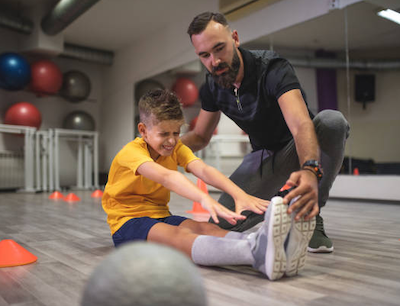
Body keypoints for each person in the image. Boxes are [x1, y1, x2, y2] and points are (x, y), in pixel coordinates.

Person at [102, 89, 316, 281]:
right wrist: (204, 198)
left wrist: (240, 194)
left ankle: (266, 244)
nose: (171, 140)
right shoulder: (131, 153)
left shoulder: (175, 147)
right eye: (164, 134)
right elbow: (167, 177)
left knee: (205, 227)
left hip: (160, 215)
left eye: (176, 133)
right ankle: (254, 252)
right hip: (128, 223)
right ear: (143, 130)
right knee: (180, 237)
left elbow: (203, 170)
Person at [181, 12, 350, 253]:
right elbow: (199, 137)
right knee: (219, 225)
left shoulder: (272, 68)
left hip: (300, 146)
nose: (214, 61)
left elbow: (300, 125)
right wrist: (158, 149)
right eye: (205, 55)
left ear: (235, 39)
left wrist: (311, 169)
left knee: (332, 121)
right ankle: (284, 205)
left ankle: (311, 216)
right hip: (266, 159)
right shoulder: (212, 86)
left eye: (219, 49)